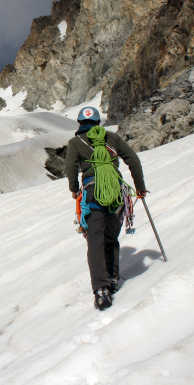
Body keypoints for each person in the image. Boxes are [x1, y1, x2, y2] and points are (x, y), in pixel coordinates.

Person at [65, 106, 147, 310]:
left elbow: (70, 167)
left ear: (79, 123)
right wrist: (140, 187)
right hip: (116, 193)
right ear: (98, 123)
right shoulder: (112, 138)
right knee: (111, 239)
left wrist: (74, 189)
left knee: (95, 242)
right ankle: (112, 279)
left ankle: (101, 290)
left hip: (93, 193)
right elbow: (133, 160)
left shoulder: (76, 142)